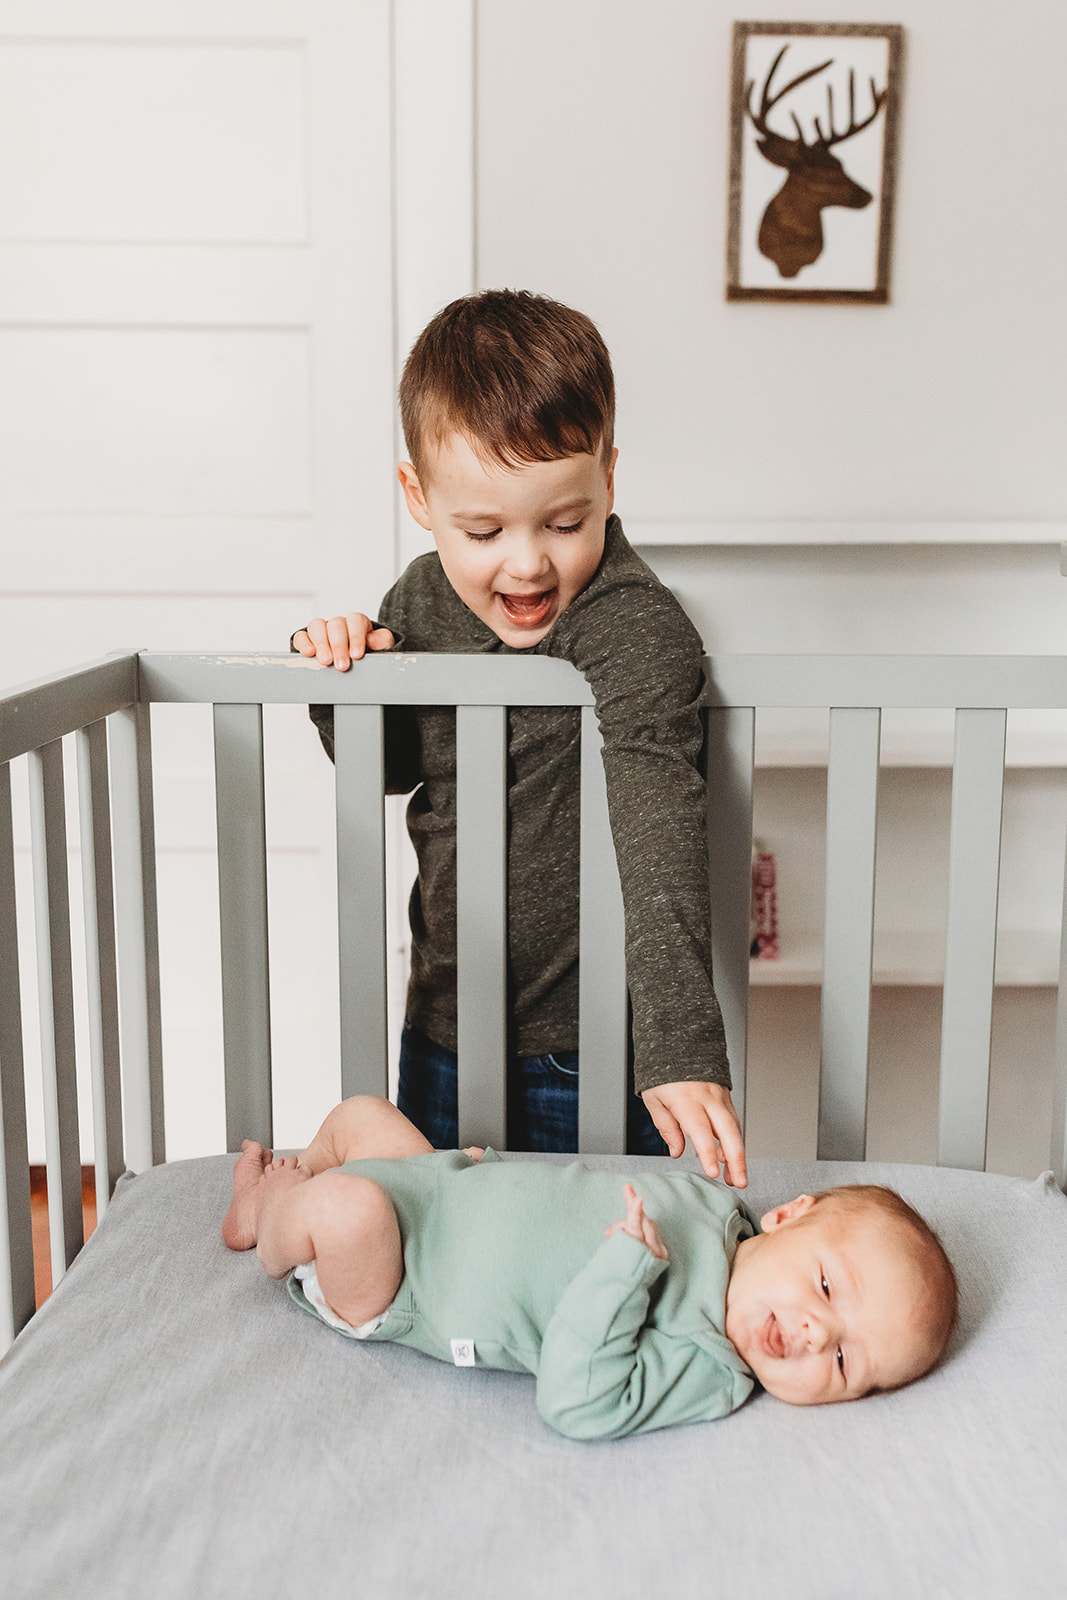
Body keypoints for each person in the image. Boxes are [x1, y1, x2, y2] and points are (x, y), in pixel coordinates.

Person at [291, 288, 745, 1183]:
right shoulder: (417, 602)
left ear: (610, 479)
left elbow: (658, 808)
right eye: (484, 529)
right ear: (418, 498)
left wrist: (679, 1047)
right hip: (444, 1023)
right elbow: (384, 770)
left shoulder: (633, 622)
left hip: (593, 1042)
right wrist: (351, 679)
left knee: (606, 1244)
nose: (529, 561)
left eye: (566, 522)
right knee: (430, 1235)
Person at [222, 1095, 959, 1442]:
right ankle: (308, 1174)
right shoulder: (710, 1209)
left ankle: (268, 1219)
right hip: (443, 1189)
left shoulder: (707, 1366)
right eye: (826, 1288)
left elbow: (575, 1402)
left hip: (399, 1279)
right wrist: (488, 1175)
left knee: (346, 1210)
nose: (809, 1331)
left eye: (839, 1360)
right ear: (787, 1215)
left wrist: (626, 1272)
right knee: (362, 1116)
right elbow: (567, 1195)